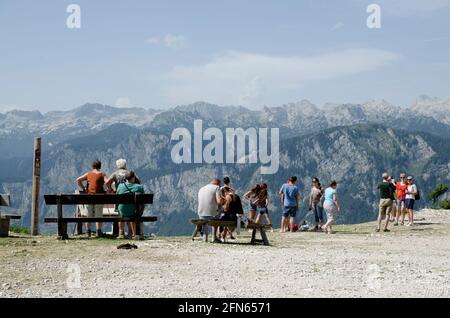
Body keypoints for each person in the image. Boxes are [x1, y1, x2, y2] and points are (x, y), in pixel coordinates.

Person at [75, 159, 108, 238]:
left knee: (88, 215)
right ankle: (98, 232)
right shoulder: (102, 174)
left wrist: (83, 188)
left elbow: (78, 180)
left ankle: (88, 232)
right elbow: (107, 182)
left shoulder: (88, 174)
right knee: (98, 215)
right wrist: (108, 189)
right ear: (100, 166)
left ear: (93, 166)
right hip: (99, 197)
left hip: (89, 197)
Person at [105, 158, 131, 238]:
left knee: (120, 214)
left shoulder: (115, 173)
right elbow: (138, 181)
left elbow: (107, 182)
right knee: (130, 214)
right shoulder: (129, 173)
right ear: (125, 165)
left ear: (117, 166)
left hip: (119, 196)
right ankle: (130, 232)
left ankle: (121, 233)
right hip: (130, 197)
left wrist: (111, 189)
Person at [116, 171, 145, 239]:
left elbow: (117, 196)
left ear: (125, 178)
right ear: (133, 178)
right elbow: (143, 200)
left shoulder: (120, 186)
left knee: (120, 211)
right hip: (134, 211)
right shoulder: (139, 187)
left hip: (122, 210)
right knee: (137, 209)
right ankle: (134, 234)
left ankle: (121, 233)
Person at [197, 178, 223, 243]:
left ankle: (205, 236)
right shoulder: (217, 188)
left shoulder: (201, 189)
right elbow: (219, 202)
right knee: (219, 210)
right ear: (218, 184)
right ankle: (214, 237)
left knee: (206, 216)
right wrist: (224, 200)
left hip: (201, 214)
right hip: (213, 215)